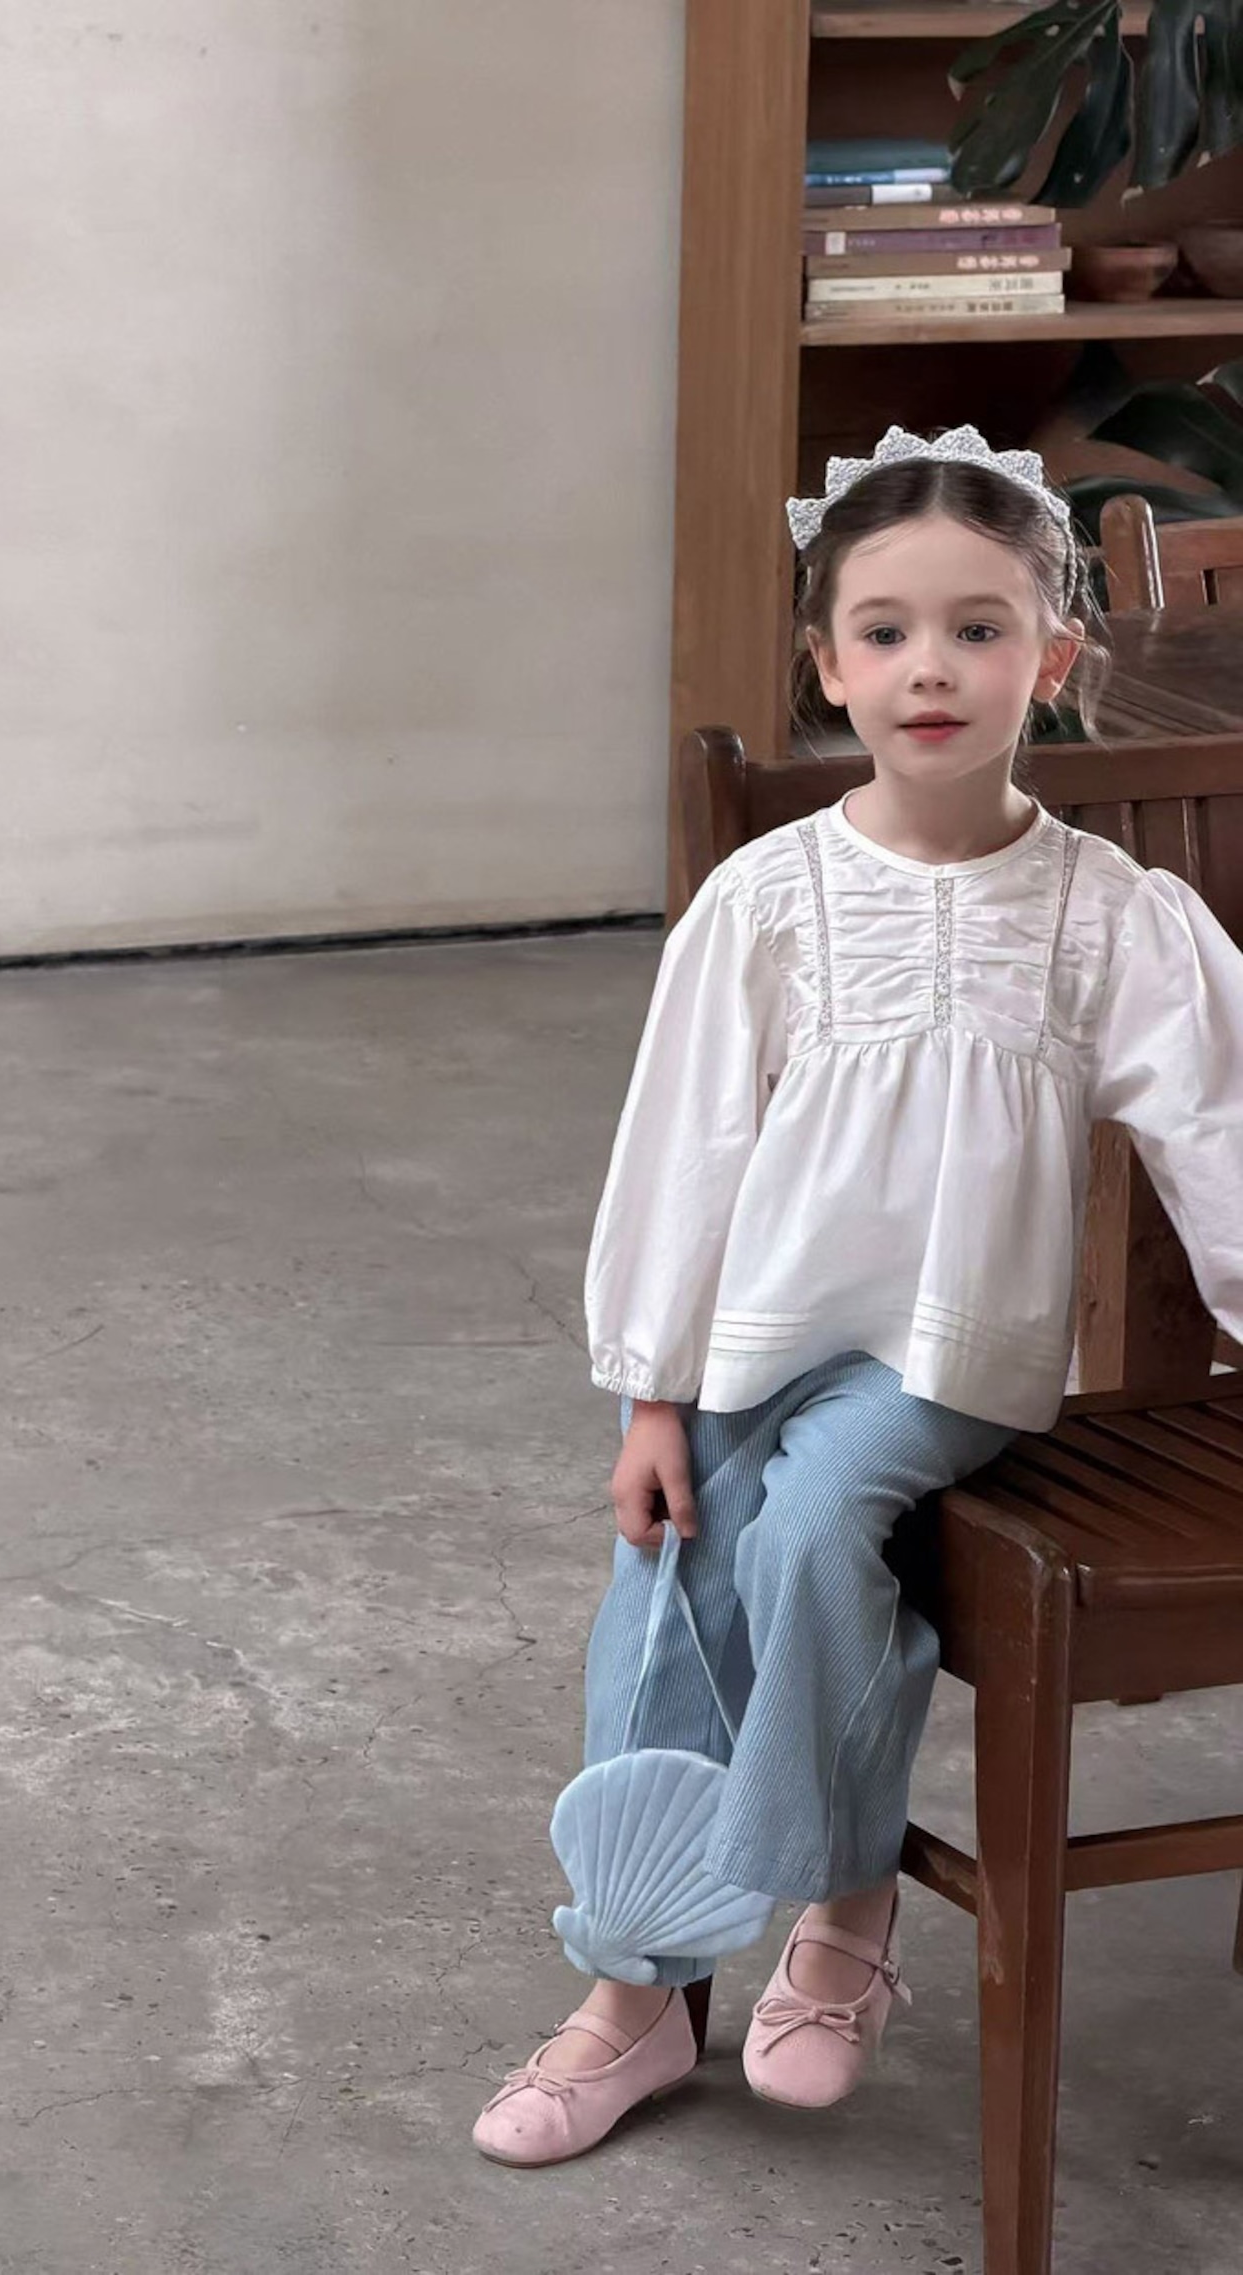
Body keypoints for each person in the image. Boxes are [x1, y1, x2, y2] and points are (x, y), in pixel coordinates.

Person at [472, 424, 1243, 2168]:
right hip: (760, 1337)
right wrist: (653, 1392)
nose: (930, 668)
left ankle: (840, 1901)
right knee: (676, 1567)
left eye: (979, 628)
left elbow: (1222, 1127)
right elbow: (681, 1155)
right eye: (885, 632)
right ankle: (641, 1984)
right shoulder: (769, 901)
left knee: (821, 1520)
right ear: (827, 665)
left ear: (1054, 661)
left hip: (948, 1356)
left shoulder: (1106, 915)